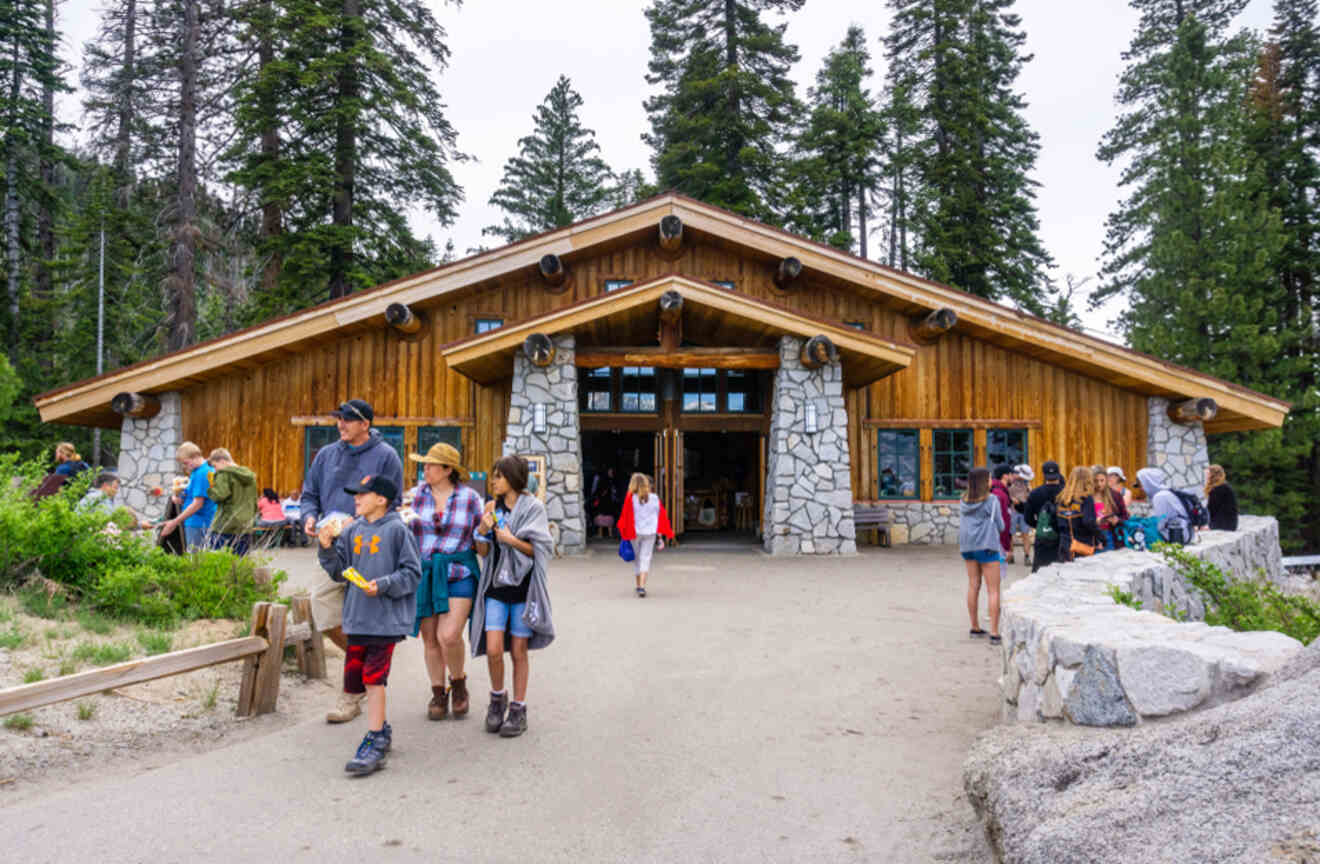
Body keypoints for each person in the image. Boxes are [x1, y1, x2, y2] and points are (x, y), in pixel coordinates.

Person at [300, 398, 404, 724]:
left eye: (347, 419)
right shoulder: (327, 456)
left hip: (369, 549)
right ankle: (368, 662)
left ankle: (351, 693)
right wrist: (308, 516)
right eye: (338, 419)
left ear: (365, 425)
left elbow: (395, 502)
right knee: (323, 609)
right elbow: (309, 494)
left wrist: (360, 523)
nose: (340, 424)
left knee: (361, 619)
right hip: (330, 548)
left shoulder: (386, 456)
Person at [316, 473, 420, 776]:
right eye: (355, 494)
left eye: (363, 494)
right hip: (357, 617)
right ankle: (381, 729)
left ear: (382, 499)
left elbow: (412, 573)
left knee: (374, 678)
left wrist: (384, 584)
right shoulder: (351, 531)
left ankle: (374, 739)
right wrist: (325, 548)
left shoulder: (398, 531)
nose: (356, 499)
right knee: (355, 679)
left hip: (385, 621)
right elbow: (340, 572)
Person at [470, 455, 555, 738]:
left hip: (523, 589)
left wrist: (511, 540)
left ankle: (518, 708)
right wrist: (482, 534)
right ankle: (498, 698)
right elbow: (483, 554)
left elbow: (540, 549)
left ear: (513, 478)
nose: (493, 481)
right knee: (493, 648)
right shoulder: (491, 508)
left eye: (498, 476)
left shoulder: (533, 508)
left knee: (519, 651)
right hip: (495, 587)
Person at [408, 442, 485, 722]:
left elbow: (482, 538)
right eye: (424, 464)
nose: (424, 469)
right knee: (429, 639)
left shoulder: (470, 499)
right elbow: (402, 528)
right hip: (425, 572)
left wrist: (489, 531)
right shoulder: (415, 496)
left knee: (448, 636)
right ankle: (438, 692)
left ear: (447, 469)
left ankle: (459, 683)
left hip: (458, 571)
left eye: (430, 465)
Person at [959, 467, 1005, 645]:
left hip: (967, 546)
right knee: (993, 589)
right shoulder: (992, 500)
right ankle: (994, 632)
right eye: (989, 478)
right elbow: (1000, 525)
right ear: (985, 481)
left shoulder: (963, 500)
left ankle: (975, 627)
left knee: (973, 585)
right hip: (987, 545)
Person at [617, 472, 675, 598]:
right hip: (650, 532)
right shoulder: (654, 498)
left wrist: (623, 533)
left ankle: (639, 586)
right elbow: (660, 517)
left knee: (637, 559)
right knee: (645, 558)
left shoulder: (630, 498)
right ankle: (642, 587)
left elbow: (625, 517)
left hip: (635, 533)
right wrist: (660, 537)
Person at [160, 442, 216, 550]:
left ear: (195, 456)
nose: (185, 467)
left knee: (195, 560)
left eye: (186, 463)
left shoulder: (201, 473)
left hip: (198, 523)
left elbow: (198, 504)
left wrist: (174, 522)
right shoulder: (202, 470)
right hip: (202, 521)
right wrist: (180, 497)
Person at [208, 448, 258, 554]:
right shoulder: (249, 476)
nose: (215, 470)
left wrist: (211, 487)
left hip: (225, 525)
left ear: (222, 461)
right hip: (245, 525)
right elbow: (254, 500)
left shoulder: (224, 474)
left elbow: (219, 496)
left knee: (219, 563)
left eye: (215, 466)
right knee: (240, 564)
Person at [1022, 460, 1065, 572]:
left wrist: (1039, 525)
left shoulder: (1035, 493)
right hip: (1062, 538)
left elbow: (1027, 518)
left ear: (1043, 474)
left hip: (1043, 538)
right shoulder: (1066, 493)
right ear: (1058, 473)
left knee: (1040, 573)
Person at [1054, 466, 1099, 563]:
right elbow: (1088, 521)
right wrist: (1101, 538)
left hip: (1064, 546)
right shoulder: (1086, 499)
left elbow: (1056, 523)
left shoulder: (1061, 499)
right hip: (1082, 546)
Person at [77, 472, 152, 530]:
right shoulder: (100, 498)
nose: (116, 491)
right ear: (105, 485)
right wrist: (139, 525)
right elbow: (111, 523)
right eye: (115, 488)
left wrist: (139, 525)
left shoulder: (93, 496)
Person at [1136, 467, 1193, 543]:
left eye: (1141, 484)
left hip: (1177, 536)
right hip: (1186, 531)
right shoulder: (1166, 491)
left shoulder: (1159, 496)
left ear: (1148, 482)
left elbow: (1160, 524)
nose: (1141, 488)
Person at [1092, 464, 1129, 551]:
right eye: (1095, 481)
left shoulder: (1115, 495)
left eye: (1102, 480)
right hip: (1091, 537)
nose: (1099, 484)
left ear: (1106, 479)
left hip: (1109, 535)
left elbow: (1125, 516)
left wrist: (1117, 520)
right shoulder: (1086, 496)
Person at [1007, 464, 1034, 566]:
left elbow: (1030, 497)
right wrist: (1012, 500)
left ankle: (1027, 556)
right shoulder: (1010, 483)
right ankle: (1011, 555)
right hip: (1012, 511)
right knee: (1010, 534)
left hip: (1023, 511)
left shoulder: (1027, 484)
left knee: (1025, 534)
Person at [989, 466, 1014, 562]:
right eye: (1011, 475)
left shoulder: (999, 490)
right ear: (1005, 476)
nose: (1013, 477)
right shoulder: (1000, 494)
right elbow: (1003, 522)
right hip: (996, 543)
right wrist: (1005, 547)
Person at [1205, 464, 1239, 531]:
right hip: (1227, 522)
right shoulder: (1223, 486)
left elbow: (1212, 509)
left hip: (1225, 524)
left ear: (1213, 475)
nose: (1206, 476)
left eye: (1207, 474)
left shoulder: (1220, 488)